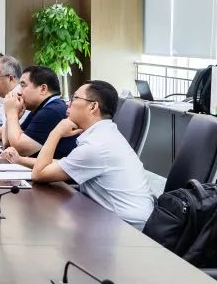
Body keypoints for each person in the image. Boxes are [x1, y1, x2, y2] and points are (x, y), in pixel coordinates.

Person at [30, 80, 154, 227]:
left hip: (127, 227)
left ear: (93, 106)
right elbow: (63, 165)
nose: (68, 103)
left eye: (75, 98)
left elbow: (39, 174)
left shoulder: (96, 146)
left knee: (46, 223)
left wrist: (56, 132)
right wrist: (20, 160)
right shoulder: (105, 134)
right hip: (115, 218)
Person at [0, 66, 78, 161]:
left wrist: (12, 113)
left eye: (23, 85)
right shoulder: (41, 108)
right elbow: (8, 145)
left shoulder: (52, 111)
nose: (19, 92)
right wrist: (11, 116)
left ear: (43, 89)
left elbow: (19, 149)